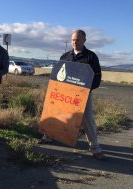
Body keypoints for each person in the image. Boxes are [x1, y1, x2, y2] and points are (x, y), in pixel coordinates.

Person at [39, 29, 104, 160]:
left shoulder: (91, 57)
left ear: (84, 40)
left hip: (83, 96)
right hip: (64, 94)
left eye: (78, 40)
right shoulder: (65, 56)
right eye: (73, 40)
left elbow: (97, 78)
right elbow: (58, 75)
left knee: (88, 119)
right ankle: (48, 136)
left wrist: (86, 90)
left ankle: (95, 148)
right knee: (57, 113)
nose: (75, 42)